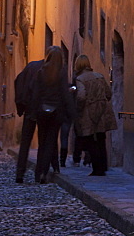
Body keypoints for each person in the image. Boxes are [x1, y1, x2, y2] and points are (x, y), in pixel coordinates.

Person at [29, 46, 75, 184]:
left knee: (42, 143)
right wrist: (72, 112)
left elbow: (35, 94)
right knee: (51, 141)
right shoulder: (61, 73)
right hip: (56, 112)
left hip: (42, 111)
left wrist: (33, 111)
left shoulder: (41, 72)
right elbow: (65, 94)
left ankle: (39, 173)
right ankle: (45, 171)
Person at [73, 54, 118, 176]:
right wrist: (102, 101)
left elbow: (81, 96)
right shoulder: (99, 76)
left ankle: (97, 168)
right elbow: (108, 93)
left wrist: (79, 109)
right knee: (101, 138)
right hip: (102, 110)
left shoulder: (80, 79)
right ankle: (103, 166)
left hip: (89, 111)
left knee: (90, 140)